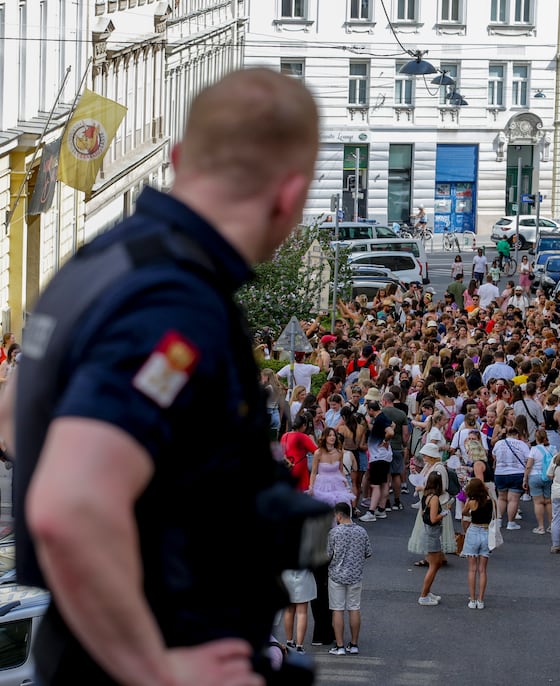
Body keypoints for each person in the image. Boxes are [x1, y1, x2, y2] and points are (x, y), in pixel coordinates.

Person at [4, 68, 326, 685]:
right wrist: (158, 671)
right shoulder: (175, 304)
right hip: (146, 654)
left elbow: (13, 418)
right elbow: (67, 506)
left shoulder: (102, 261)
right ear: (289, 195)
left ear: (179, 159)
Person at [325, 501, 371, 656]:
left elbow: (327, 555)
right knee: (354, 608)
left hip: (336, 575)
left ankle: (339, 646)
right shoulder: (361, 531)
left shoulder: (334, 533)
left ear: (339, 515)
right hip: (356, 575)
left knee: (337, 609)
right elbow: (368, 552)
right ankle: (354, 644)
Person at [417, 471, 451, 606]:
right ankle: (424, 595)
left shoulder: (425, 495)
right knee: (433, 565)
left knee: (435, 564)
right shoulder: (435, 498)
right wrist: (444, 512)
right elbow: (433, 518)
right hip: (432, 534)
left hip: (427, 532)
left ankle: (427, 592)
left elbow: (422, 514)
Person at [461, 477, 494, 609]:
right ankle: (481, 599)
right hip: (486, 532)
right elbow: (495, 516)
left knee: (472, 569)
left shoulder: (471, 502)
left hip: (474, 531)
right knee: (482, 570)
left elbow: (464, 513)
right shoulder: (490, 501)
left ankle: (472, 599)